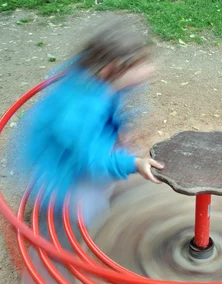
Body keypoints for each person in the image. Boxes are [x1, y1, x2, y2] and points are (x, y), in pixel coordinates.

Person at [16, 17, 163, 225]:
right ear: (111, 69)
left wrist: (118, 130)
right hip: (64, 167)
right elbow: (94, 161)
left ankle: (108, 184)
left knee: (118, 156)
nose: (151, 69)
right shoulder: (81, 112)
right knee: (90, 207)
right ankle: (65, 240)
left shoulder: (99, 76)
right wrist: (135, 164)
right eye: (141, 65)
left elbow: (111, 108)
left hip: (83, 142)